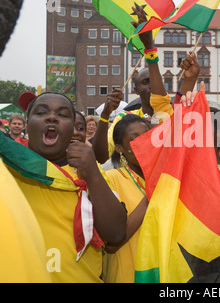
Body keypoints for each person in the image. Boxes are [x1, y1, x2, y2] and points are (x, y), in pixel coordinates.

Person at [2, 92, 127, 282]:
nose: (52, 117)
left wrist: (92, 175)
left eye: (63, 115)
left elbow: (115, 233)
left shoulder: (90, 171)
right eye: (41, 112)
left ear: (73, 130)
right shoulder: (7, 167)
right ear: (27, 124)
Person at [93, 4, 173, 165]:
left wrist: (150, 47)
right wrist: (105, 116)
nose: (151, 86)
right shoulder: (124, 118)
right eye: (145, 82)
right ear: (135, 89)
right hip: (130, 186)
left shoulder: (172, 114)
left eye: (155, 81)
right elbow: (100, 156)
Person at [102, 114, 150, 283]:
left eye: (146, 136)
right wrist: (149, 198)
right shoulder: (109, 180)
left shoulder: (166, 178)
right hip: (126, 275)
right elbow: (111, 244)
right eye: (133, 139)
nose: (142, 142)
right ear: (119, 148)